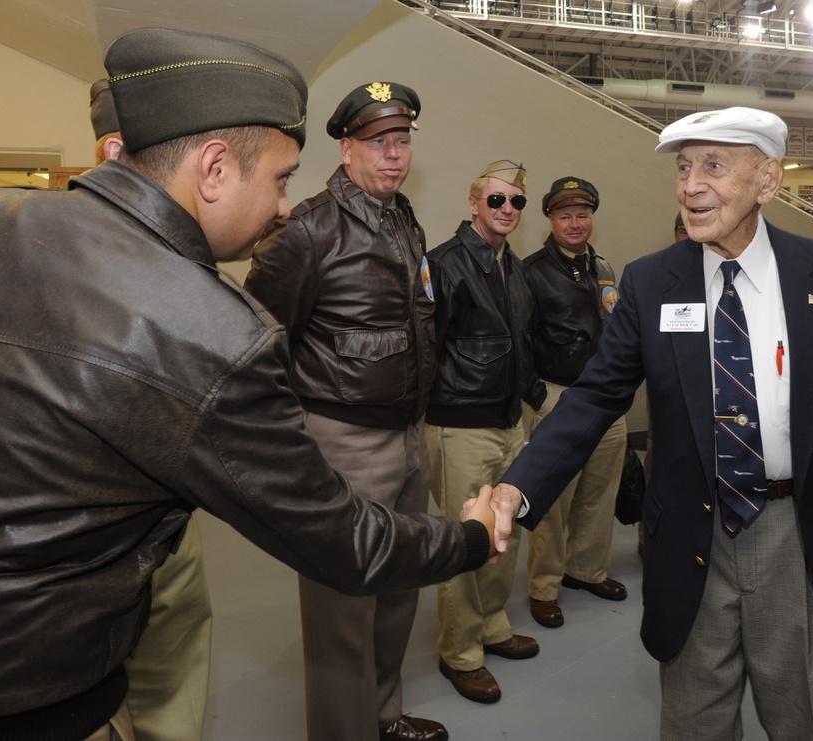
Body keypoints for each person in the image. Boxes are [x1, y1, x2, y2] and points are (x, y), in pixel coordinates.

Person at [0, 28, 498, 740]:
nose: (281, 206)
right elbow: (343, 542)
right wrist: (471, 538)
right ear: (213, 169)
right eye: (278, 178)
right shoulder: (214, 333)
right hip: (36, 691)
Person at [488, 107, 813, 738]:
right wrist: (516, 485)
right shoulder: (650, 283)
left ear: (768, 179)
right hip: (694, 541)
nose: (691, 185)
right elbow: (594, 396)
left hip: (801, 541)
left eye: (714, 166)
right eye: (685, 168)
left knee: (809, 724)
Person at [245, 82, 446, 741]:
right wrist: (291, 444)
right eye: (379, 142)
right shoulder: (309, 228)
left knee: (396, 596)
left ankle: (383, 718)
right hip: (345, 444)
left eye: (403, 140)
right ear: (346, 147)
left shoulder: (403, 217)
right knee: (341, 610)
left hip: (411, 436)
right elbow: (256, 340)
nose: (394, 155)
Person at [88, 78, 213, 741]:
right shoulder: (48, 254)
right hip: (83, 540)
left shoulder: (184, 256)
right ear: (115, 151)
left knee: (175, 686)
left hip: (172, 519)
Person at [426, 160, 547, 704]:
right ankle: (460, 651)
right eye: (496, 199)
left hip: (508, 421)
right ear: (474, 203)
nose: (507, 209)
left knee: (507, 528)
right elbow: (428, 347)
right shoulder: (446, 264)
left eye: (517, 202)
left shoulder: (512, 267)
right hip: (461, 423)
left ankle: (493, 625)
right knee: (468, 537)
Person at [523, 176, 628, 630]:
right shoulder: (531, 271)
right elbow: (519, 342)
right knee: (551, 501)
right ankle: (543, 588)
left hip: (604, 398)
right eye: (565, 215)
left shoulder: (603, 267)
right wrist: (539, 396)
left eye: (582, 214)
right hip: (558, 399)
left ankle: (585, 570)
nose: (574, 223)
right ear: (550, 218)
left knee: (599, 494)